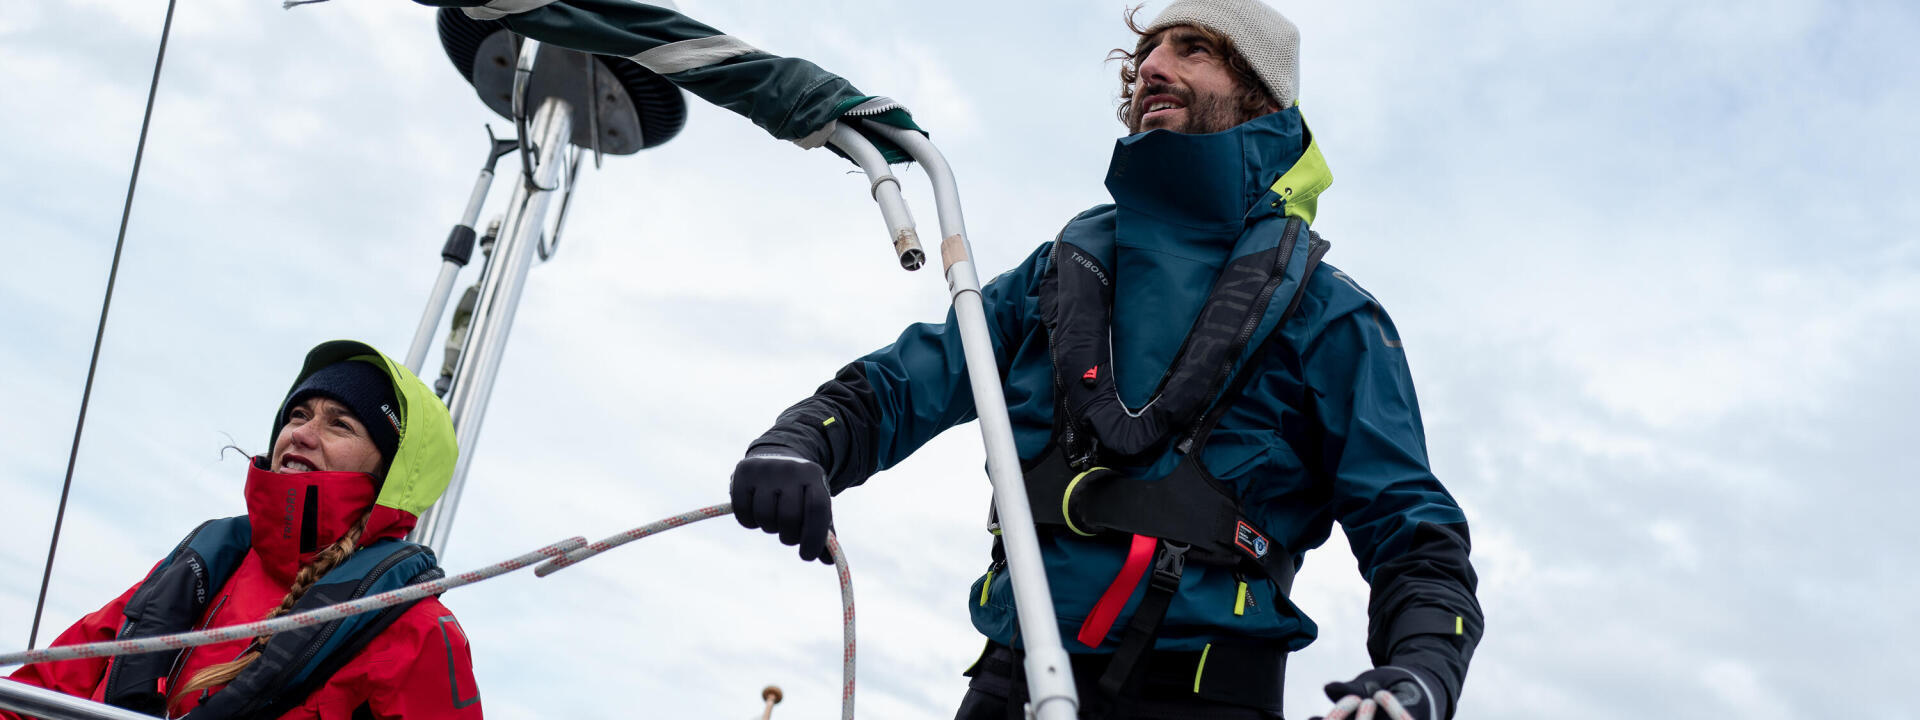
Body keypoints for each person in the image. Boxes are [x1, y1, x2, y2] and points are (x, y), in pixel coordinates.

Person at [727, 2, 1483, 719]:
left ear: (1258, 96)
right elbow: (901, 385)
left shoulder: (1331, 314)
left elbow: (1412, 531)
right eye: (1146, 52)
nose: (1153, 65)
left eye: (1193, 49)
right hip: (1011, 680)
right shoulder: (1058, 275)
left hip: (1207, 695)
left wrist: (1420, 672)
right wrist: (802, 441)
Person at [3, 341, 482, 719]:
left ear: (389, 475)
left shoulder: (416, 631)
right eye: (298, 414)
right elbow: (32, 696)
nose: (303, 433)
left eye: (341, 425)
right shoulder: (201, 566)